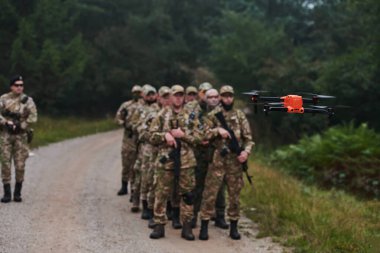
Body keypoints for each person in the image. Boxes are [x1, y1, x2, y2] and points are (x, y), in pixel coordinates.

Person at [199, 85, 254, 240]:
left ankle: (234, 228)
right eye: (224, 96)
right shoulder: (212, 116)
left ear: (233, 97)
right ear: (220, 98)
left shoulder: (240, 115)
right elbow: (203, 135)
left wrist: (245, 152)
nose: (228, 98)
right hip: (218, 160)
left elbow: (249, 139)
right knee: (210, 194)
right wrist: (217, 131)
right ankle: (204, 226)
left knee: (234, 196)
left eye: (230, 96)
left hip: (235, 162)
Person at [149, 85, 201, 240]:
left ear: (184, 97)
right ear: (170, 97)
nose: (178, 98)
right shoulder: (161, 114)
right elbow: (149, 136)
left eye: (181, 95)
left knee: (188, 195)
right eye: (175, 95)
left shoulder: (191, 116)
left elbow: (200, 138)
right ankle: (159, 226)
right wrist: (164, 135)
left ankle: (187, 227)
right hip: (167, 161)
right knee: (161, 193)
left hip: (186, 161)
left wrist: (183, 135)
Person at [185, 83, 228, 229]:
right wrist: (215, 131)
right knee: (198, 185)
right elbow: (194, 131)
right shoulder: (194, 111)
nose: (210, 98)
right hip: (200, 153)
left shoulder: (223, 111)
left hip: (217, 154)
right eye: (205, 94)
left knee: (219, 186)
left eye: (215, 96)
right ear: (201, 94)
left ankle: (220, 216)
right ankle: (193, 216)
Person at [0, 75, 37, 203]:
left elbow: (33, 117)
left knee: (20, 165)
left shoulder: (28, 101)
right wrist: (5, 122)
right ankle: (6, 193)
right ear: (11, 86)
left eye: (21, 85)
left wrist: (22, 125)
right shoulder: (3, 99)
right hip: (6, 135)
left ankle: (17, 193)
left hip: (21, 136)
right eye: (17, 85)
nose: (19, 87)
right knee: (5, 164)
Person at [115, 85, 142, 196]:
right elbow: (117, 118)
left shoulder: (144, 106)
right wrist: (124, 123)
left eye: (138, 92)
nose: (136, 94)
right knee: (126, 162)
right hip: (128, 138)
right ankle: (124, 185)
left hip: (140, 138)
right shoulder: (126, 105)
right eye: (134, 92)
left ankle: (134, 189)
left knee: (137, 165)